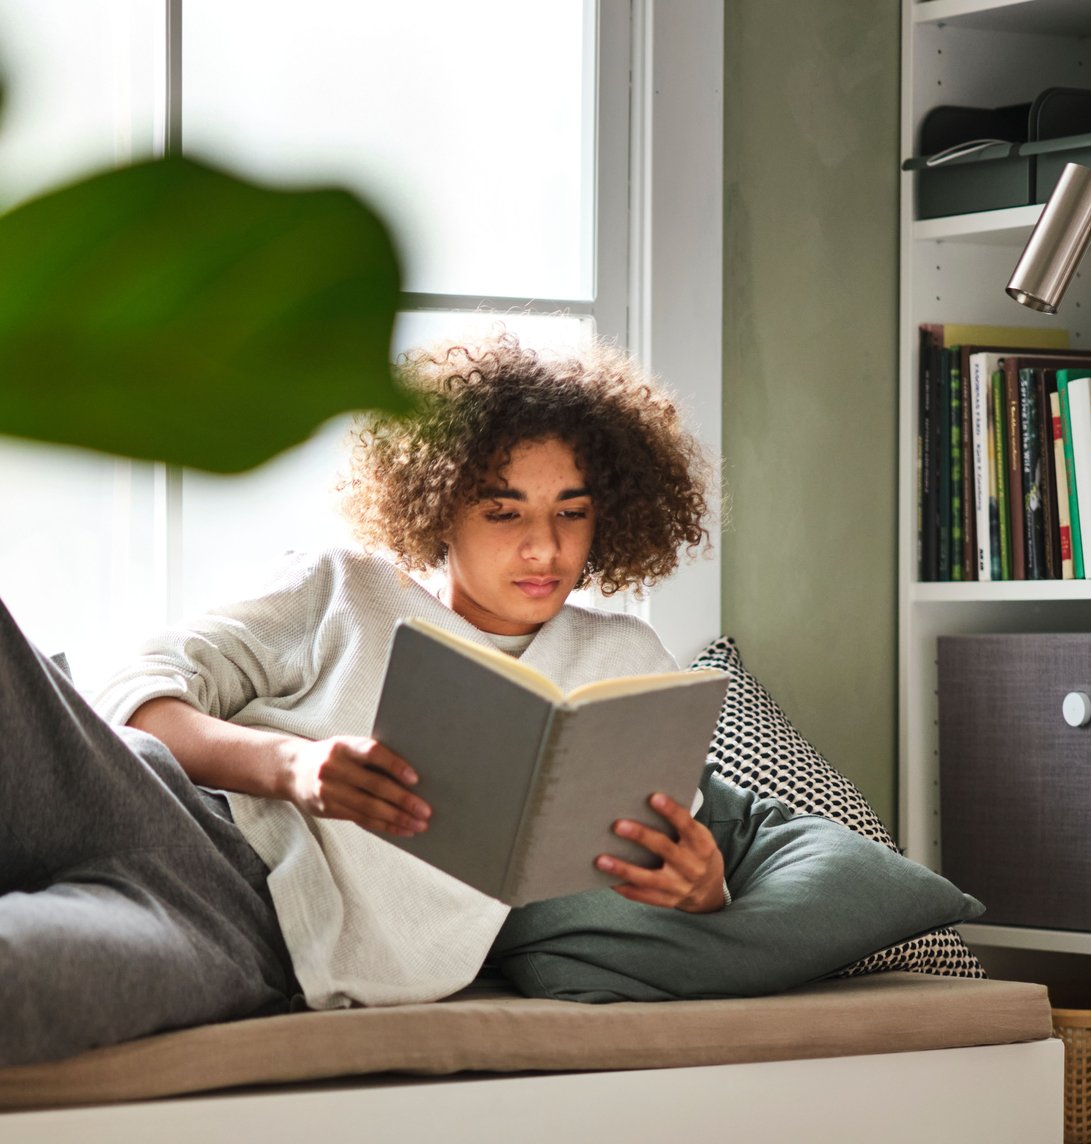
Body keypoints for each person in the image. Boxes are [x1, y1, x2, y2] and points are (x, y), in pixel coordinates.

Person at [0, 335, 720, 1067]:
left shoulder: (630, 665)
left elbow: (647, 854)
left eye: (572, 512)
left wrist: (706, 894)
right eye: (504, 512)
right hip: (157, 799)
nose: (544, 548)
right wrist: (294, 766)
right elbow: (127, 689)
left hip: (242, 929)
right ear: (440, 508)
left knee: (20, 983)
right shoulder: (347, 587)